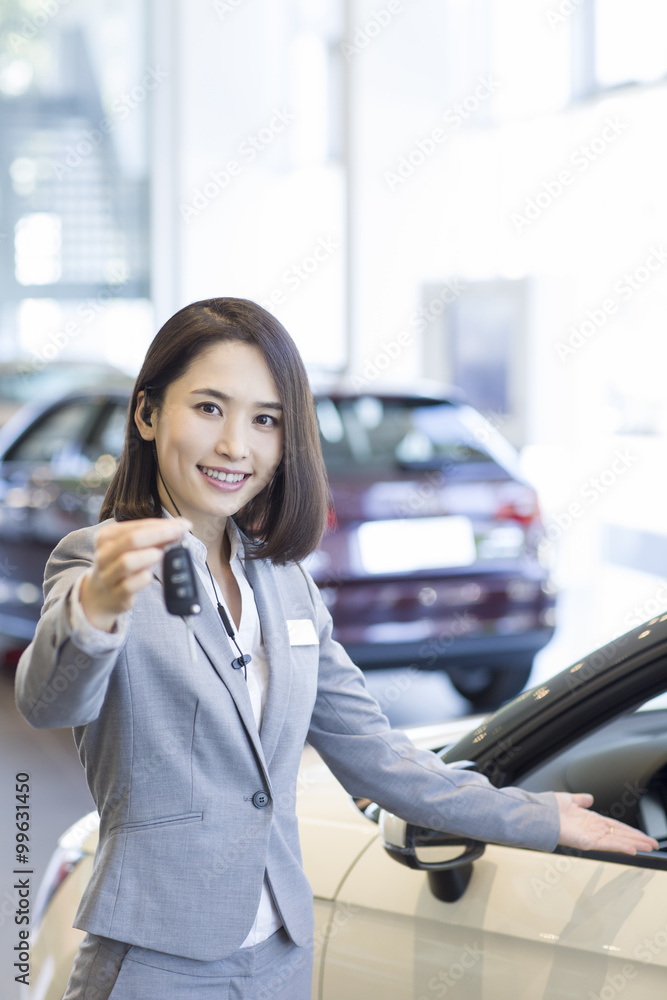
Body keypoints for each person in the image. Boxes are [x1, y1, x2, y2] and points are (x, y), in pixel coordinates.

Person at [15, 298, 657, 999]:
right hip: (155, 958)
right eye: (207, 408)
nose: (236, 445)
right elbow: (50, 700)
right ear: (147, 415)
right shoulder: (100, 559)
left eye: (265, 420)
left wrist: (537, 815)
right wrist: (97, 608)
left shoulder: (282, 582)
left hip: (281, 954)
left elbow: (377, 755)